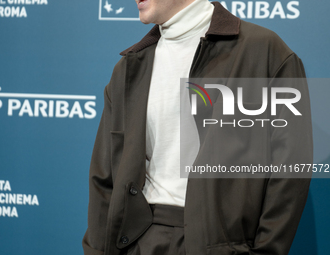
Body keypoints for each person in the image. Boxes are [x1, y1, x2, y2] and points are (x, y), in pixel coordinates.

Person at [82, 0, 313, 254]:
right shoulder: (128, 68)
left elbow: (290, 171)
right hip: (137, 242)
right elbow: (104, 179)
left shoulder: (265, 52)